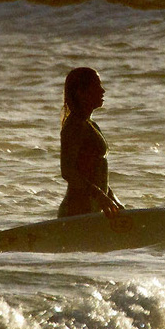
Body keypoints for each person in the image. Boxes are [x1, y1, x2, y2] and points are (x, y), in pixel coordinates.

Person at [58, 67, 124, 218]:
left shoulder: (90, 125)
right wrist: (100, 196)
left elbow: (95, 172)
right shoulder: (74, 125)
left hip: (92, 210)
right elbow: (67, 171)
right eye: (96, 86)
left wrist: (113, 199)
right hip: (76, 212)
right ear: (80, 92)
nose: (102, 91)